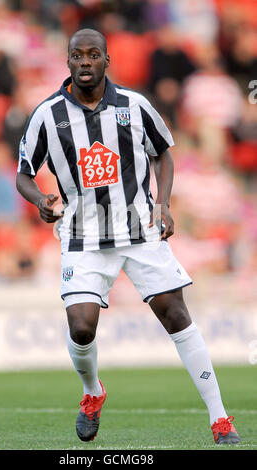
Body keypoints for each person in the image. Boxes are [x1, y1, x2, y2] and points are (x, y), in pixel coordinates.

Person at [16, 28, 241, 445]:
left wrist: (164, 204)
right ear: (67, 62)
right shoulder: (47, 113)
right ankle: (92, 392)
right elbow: (24, 174)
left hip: (139, 230)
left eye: (93, 55)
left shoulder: (135, 105)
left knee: (176, 315)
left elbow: (163, 154)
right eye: (77, 56)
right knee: (82, 328)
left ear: (107, 60)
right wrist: (41, 201)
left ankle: (220, 418)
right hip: (83, 234)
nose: (85, 62)